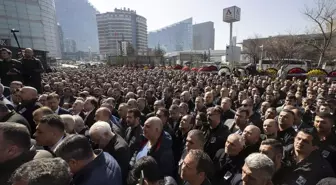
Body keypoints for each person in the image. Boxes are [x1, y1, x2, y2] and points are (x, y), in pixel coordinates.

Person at [55, 134, 122, 185]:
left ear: (73, 162)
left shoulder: (87, 182)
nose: (63, 168)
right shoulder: (107, 156)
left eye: (65, 164)